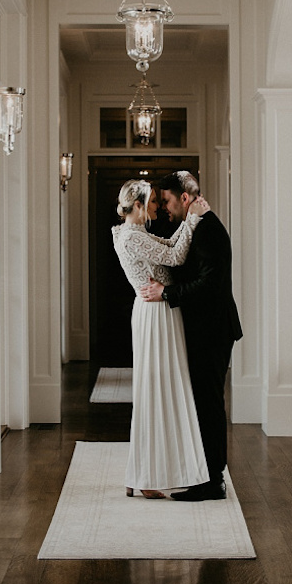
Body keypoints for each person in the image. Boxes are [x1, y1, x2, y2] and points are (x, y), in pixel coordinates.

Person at [141, 171, 242, 502]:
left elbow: (210, 284)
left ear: (185, 198)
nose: (165, 207)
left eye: (167, 200)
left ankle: (213, 481)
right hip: (203, 329)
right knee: (201, 402)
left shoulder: (209, 229)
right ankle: (203, 473)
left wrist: (167, 293)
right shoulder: (195, 225)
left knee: (209, 403)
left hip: (213, 330)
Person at [112, 179, 211, 499]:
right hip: (155, 315)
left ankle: (139, 473)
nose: (157, 206)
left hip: (160, 311)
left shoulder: (136, 233)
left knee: (157, 389)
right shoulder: (131, 237)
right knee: (155, 390)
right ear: (138, 205)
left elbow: (169, 245)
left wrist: (191, 218)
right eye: (152, 201)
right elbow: (177, 258)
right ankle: (143, 476)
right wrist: (194, 219)